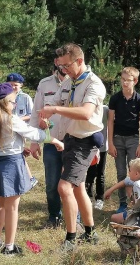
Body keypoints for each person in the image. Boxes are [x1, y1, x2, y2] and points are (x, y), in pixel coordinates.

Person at [0, 83, 64, 255]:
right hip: (10, 163)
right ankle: (9, 247)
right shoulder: (9, 119)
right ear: (3, 103)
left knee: (0, 205)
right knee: (12, 207)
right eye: (11, 102)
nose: (14, 105)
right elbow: (31, 133)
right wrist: (53, 139)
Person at [39, 43, 106, 251]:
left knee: (64, 187)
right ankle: (90, 232)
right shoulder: (70, 80)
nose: (63, 71)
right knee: (77, 188)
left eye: (66, 66)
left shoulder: (94, 84)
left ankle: (70, 239)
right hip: (70, 139)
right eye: (61, 67)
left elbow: (86, 113)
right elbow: (57, 100)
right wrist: (47, 113)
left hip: (85, 141)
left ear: (79, 61)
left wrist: (55, 108)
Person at [29, 64, 67, 229]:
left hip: (73, 141)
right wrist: (34, 141)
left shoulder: (78, 83)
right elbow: (35, 112)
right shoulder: (44, 84)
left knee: (73, 184)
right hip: (51, 141)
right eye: (62, 64)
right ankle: (54, 217)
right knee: (52, 184)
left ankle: (76, 219)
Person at [107, 67, 140, 214]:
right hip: (117, 138)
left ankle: (135, 202)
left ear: (135, 81)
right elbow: (110, 121)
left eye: (128, 80)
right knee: (121, 172)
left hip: (133, 139)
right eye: (123, 79)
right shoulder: (115, 98)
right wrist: (110, 143)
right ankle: (123, 203)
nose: (124, 83)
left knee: (135, 172)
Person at [103, 158, 140, 224]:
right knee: (128, 185)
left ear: (136, 174)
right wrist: (110, 190)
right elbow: (126, 181)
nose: (129, 172)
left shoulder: (138, 185)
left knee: (113, 217)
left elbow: (138, 208)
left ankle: (133, 225)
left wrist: (132, 205)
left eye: (130, 171)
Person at [6, 73, 38, 188]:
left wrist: (18, 119)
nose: (13, 87)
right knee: (17, 153)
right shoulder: (4, 97)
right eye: (10, 85)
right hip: (7, 129)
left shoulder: (25, 98)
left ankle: (28, 178)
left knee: (19, 152)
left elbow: (32, 114)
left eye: (15, 85)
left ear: (21, 85)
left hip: (21, 129)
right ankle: (28, 177)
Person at [86, 104, 109, 210]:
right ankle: (88, 196)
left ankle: (100, 198)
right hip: (89, 146)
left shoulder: (105, 109)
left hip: (103, 147)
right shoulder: (86, 107)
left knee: (100, 173)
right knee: (89, 173)